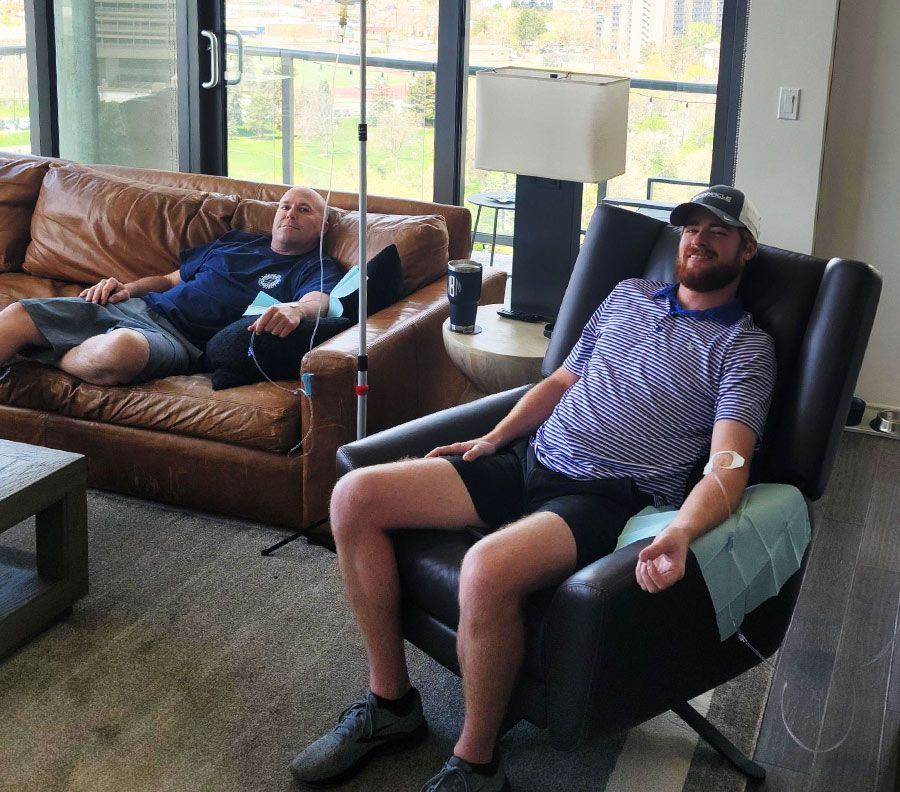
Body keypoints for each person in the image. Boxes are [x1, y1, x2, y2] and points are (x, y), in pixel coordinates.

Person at [290, 185, 777, 792]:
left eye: (717, 233)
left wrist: (680, 531)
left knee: (486, 568)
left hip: (603, 498)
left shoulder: (745, 347)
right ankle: (392, 706)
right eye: (690, 230)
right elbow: (560, 381)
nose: (698, 241)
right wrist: (494, 439)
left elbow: (729, 463)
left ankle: (477, 762)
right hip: (530, 460)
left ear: (747, 249)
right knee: (355, 495)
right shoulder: (626, 296)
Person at [0, 186, 340, 386]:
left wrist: (294, 308)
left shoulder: (314, 265)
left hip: (179, 340)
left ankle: (38, 353)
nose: (290, 214)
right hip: (140, 306)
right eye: (285, 206)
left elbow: (319, 299)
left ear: (323, 225)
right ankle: (40, 341)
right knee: (16, 315)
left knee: (120, 352)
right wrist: (126, 288)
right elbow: (168, 279)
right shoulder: (236, 242)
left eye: (303, 209)